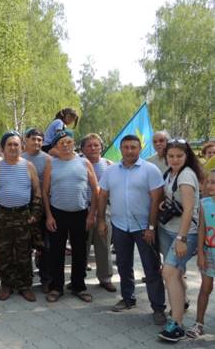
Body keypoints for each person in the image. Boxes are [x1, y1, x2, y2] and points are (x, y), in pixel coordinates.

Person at [98, 134, 167, 325]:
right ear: (121, 149)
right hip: (120, 226)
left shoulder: (150, 170)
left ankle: (158, 307)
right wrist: (101, 220)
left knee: (151, 268)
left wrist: (151, 227)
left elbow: (157, 200)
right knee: (123, 264)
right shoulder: (111, 171)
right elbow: (102, 196)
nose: (129, 151)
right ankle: (128, 298)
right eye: (126, 147)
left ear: (140, 148)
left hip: (144, 228)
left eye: (133, 147)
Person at [42, 130, 98, 303]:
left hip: (80, 214)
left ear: (73, 143)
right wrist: (49, 216)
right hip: (57, 213)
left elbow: (96, 190)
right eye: (61, 143)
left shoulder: (84, 162)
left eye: (68, 142)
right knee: (56, 252)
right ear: (56, 147)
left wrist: (91, 214)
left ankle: (78, 286)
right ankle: (56, 287)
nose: (65, 145)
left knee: (80, 252)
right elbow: (44, 192)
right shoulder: (52, 164)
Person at [0, 131, 42, 301]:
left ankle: (25, 286)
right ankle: (7, 285)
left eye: (16, 144)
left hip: (24, 216)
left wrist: (35, 214)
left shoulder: (28, 166)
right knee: (4, 253)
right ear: (3, 148)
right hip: (3, 216)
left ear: (21, 146)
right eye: (9, 144)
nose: (12, 147)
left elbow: (37, 191)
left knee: (24, 252)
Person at [157, 139, 203, 342]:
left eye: (179, 156)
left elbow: (189, 211)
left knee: (169, 272)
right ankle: (181, 303)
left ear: (187, 157)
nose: (175, 159)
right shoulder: (170, 173)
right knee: (177, 273)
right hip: (169, 229)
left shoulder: (185, 176)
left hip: (184, 233)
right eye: (171, 156)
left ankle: (176, 324)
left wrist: (182, 238)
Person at [80, 133, 116, 292]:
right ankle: (78, 277)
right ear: (82, 149)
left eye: (96, 145)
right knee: (81, 246)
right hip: (82, 209)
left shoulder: (109, 165)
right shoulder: (77, 163)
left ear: (101, 147)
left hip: (103, 210)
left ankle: (105, 277)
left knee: (103, 244)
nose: (93, 148)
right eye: (89, 145)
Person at [22, 128, 52, 293]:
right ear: (26, 140)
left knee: (44, 246)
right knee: (23, 246)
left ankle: (46, 279)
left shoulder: (48, 159)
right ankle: (25, 280)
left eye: (40, 140)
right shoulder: (18, 158)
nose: (37, 142)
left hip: (42, 206)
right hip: (23, 208)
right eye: (33, 139)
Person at [186, 169, 215, 339]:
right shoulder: (204, 203)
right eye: (209, 182)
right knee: (205, 288)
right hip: (208, 251)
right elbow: (202, 229)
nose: (210, 185)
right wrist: (201, 255)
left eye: (214, 182)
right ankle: (199, 323)